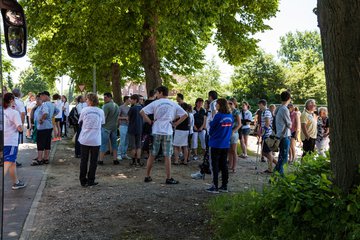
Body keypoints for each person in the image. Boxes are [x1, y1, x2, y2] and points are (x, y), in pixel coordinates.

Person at [140, 86, 188, 184]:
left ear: (161, 92)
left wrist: (149, 121)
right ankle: (168, 178)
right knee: (167, 156)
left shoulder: (155, 103)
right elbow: (185, 114)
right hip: (168, 132)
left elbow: (142, 111)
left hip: (156, 131)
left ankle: (147, 176)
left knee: (152, 155)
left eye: (157, 93)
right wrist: (175, 124)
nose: (156, 95)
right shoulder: (173, 104)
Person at [206, 98, 233, 193]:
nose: (216, 106)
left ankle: (215, 186)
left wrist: (211, 125)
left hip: (215, 143)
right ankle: (224, 185)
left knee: (214, 165)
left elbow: (212, 128)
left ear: (220, 105)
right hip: (225, 143)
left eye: (217, 104)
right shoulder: (230, 116)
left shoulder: (218, 116)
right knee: (224, 165)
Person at [78, 93, 105, 187]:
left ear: (90, 100)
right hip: (95, 139)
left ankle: (82, 180)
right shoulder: (100, 111)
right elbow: (102, 123)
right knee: (93, 161)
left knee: (84, 160)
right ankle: (91, 180)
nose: (85, 101)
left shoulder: (84, 110)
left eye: (87, 99)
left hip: (85, 138)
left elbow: (80, 122)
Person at [3, 93, 26, 190]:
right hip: (10, 141)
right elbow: (20, 128)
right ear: (11, 100)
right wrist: (22, 128)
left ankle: (16, 182)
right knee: (8, 161)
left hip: (4, 140)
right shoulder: (14, 113)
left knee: (12, 163)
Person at [32, 91, 59, 166]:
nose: (40, 98)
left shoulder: (45, 104)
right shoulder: (52, 104)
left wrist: (42, 119)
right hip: (49, 126)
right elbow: (57, 111)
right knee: (47, 143)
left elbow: (45, 113)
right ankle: (46, 159)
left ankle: (40, 159)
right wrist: (51, 117)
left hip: (43, 126)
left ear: (45, 96)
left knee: (40, 143)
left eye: (41, 96)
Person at [98, 92, 120, 165]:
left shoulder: (106, 106)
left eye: (105, 97)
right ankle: (115, 159)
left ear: (110, 97)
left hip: (106, 127)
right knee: (114, 144)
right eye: (104, 97)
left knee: (103, 144)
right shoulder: (116, 105)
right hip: (114, 127)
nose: (104, 99)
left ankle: (101, 160)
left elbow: (103, 117)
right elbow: (117, 117)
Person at [273, 91, 292, 175]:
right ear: (289, 99)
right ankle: (281, 176)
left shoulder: (279, 108)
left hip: (279, 135)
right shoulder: (285, 109)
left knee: (281, 157)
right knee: (283, 158)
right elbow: (289, 124)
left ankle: (274, 175)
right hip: (284, 136)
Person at [127, 94, 144, 166]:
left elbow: (128, 118)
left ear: (135, 100)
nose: (130, 101)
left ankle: (133, 161)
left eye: (131, 99)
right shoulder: (142, 108)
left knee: (133, 146)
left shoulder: (132, 108)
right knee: (139, 146)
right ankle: (139, 161)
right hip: (139, 128)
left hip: (132, 129)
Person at [227, 98, 241, 173]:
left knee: (234, 150)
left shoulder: (236, 111)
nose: (229, 105)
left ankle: (234, 167)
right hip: (227, 132)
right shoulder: (228, 111)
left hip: (234, 133)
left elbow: (239, 124)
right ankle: (230, 165)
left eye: (230, 103)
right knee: (229, 150)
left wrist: (233, 131)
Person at [12, 88, 25, 166]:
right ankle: (13, 160)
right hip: (17, 124)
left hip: (9, 124)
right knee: (15, 143)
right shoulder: (19, 102)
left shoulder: (8, 101)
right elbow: (23, 113)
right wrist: (22, 124)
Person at [142, 90, 156, 158]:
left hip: (146, 121)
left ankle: (146, 152)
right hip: (153, 121)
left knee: (147, 136)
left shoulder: (145, 102)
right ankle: (152, 153)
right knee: (152, 137)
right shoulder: (155, 102)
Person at [117, 96, 131, 160]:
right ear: (125, 100)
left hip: (128, 126)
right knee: (122, 140)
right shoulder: (121, 107)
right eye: (129, 100)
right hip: (122, 125)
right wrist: (125, 118)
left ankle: (124, 154)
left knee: (127, 141)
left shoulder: (129, 108)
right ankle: (119, 154)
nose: (130, 101)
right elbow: (117, 117)